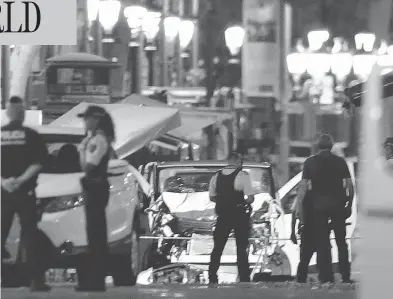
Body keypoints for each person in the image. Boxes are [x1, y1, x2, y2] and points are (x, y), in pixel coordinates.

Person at [1, 96, 50, 291]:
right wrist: (20, 180)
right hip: (25, 192)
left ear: (7, 114)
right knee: (29, 234)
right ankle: (35, 280)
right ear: (21, 115)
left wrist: (4, 182)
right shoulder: (31, 135)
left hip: (2, 193)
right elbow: (38, 162)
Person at [296, 134, 354, 283]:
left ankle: (326, 276)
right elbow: (349, 185)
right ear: (332, 146)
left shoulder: (310, 162)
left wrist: (300, 207)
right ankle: (345, 275)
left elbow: (302, 187)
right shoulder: (340, 162)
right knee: (341, 242)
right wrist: (349, 204)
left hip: (318, 207)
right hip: (338, 206)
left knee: (323, 242)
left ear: (318, 146)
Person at [75, 105, 115, 292]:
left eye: (87, 118)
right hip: (97, 187)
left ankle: (95, 280)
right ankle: (95, 279)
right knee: (96, 233)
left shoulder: (97, 140)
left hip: (95, 186)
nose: (85, 121)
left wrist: (82, 151)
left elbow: (88, 166)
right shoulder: (97, 138)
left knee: (96, 234)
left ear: (96, 119)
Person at [208, 152, 255, 284]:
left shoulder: (216, 176)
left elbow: (212, 197)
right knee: (241, 247)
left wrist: (223, 201)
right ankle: (244, 278)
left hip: (222, 216)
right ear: (239, 162)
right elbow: (250, 198)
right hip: (238, 215)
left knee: (218, 247)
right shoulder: (243, 176)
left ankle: (212, 276)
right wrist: (242, 202)